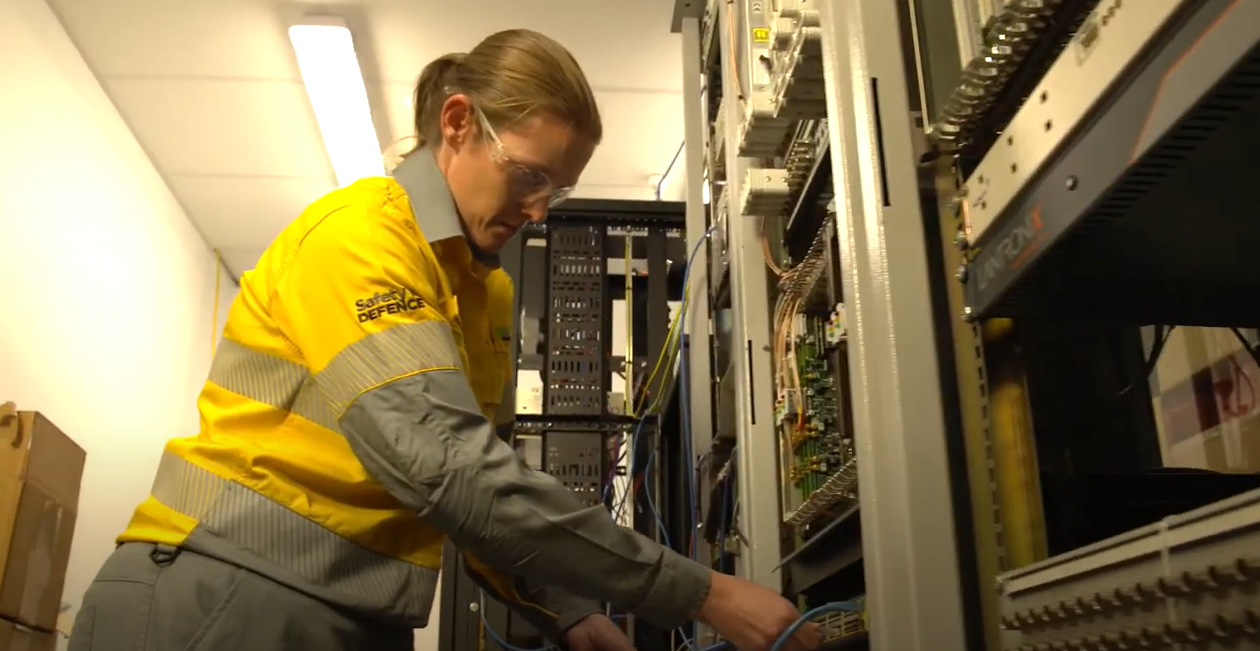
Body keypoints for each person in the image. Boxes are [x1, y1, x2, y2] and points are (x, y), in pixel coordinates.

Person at [68, 29, 822, 651]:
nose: (538, 212)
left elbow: (478, 489)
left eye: (555, 192)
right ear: (457, 123)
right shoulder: (363, 236)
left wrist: (570, 606)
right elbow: (449, 470)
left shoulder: (484, 289)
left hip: (354, 615)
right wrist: (702, 591)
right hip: (223, 597)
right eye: (528, 176)